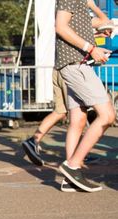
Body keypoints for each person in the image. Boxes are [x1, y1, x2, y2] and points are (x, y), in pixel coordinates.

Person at [55, 0, 116, 192]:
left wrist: (92, 7)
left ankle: (70, 179)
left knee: (78, 121)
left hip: (77, 64)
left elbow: (102, 21)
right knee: (107, 116)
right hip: (76, 64)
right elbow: (61, 27)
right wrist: (92, 48)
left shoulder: (81, 3)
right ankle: (73, 165)